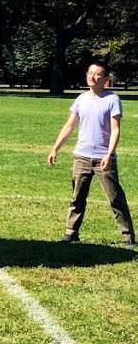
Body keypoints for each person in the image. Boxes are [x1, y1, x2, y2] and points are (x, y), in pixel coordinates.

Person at [48, 61, 135, 247]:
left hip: (103, 158)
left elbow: (115, 129)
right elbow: (69, 126)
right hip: (81, 156)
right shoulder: (81, 99)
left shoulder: (112, 99)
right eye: (90, 73)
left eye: (97, 74)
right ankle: (71, 233)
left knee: (115, 198)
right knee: (77, 197)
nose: (92, 77)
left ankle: (127, 236)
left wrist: (109, 155)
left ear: (105, 79)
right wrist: (55, 148)